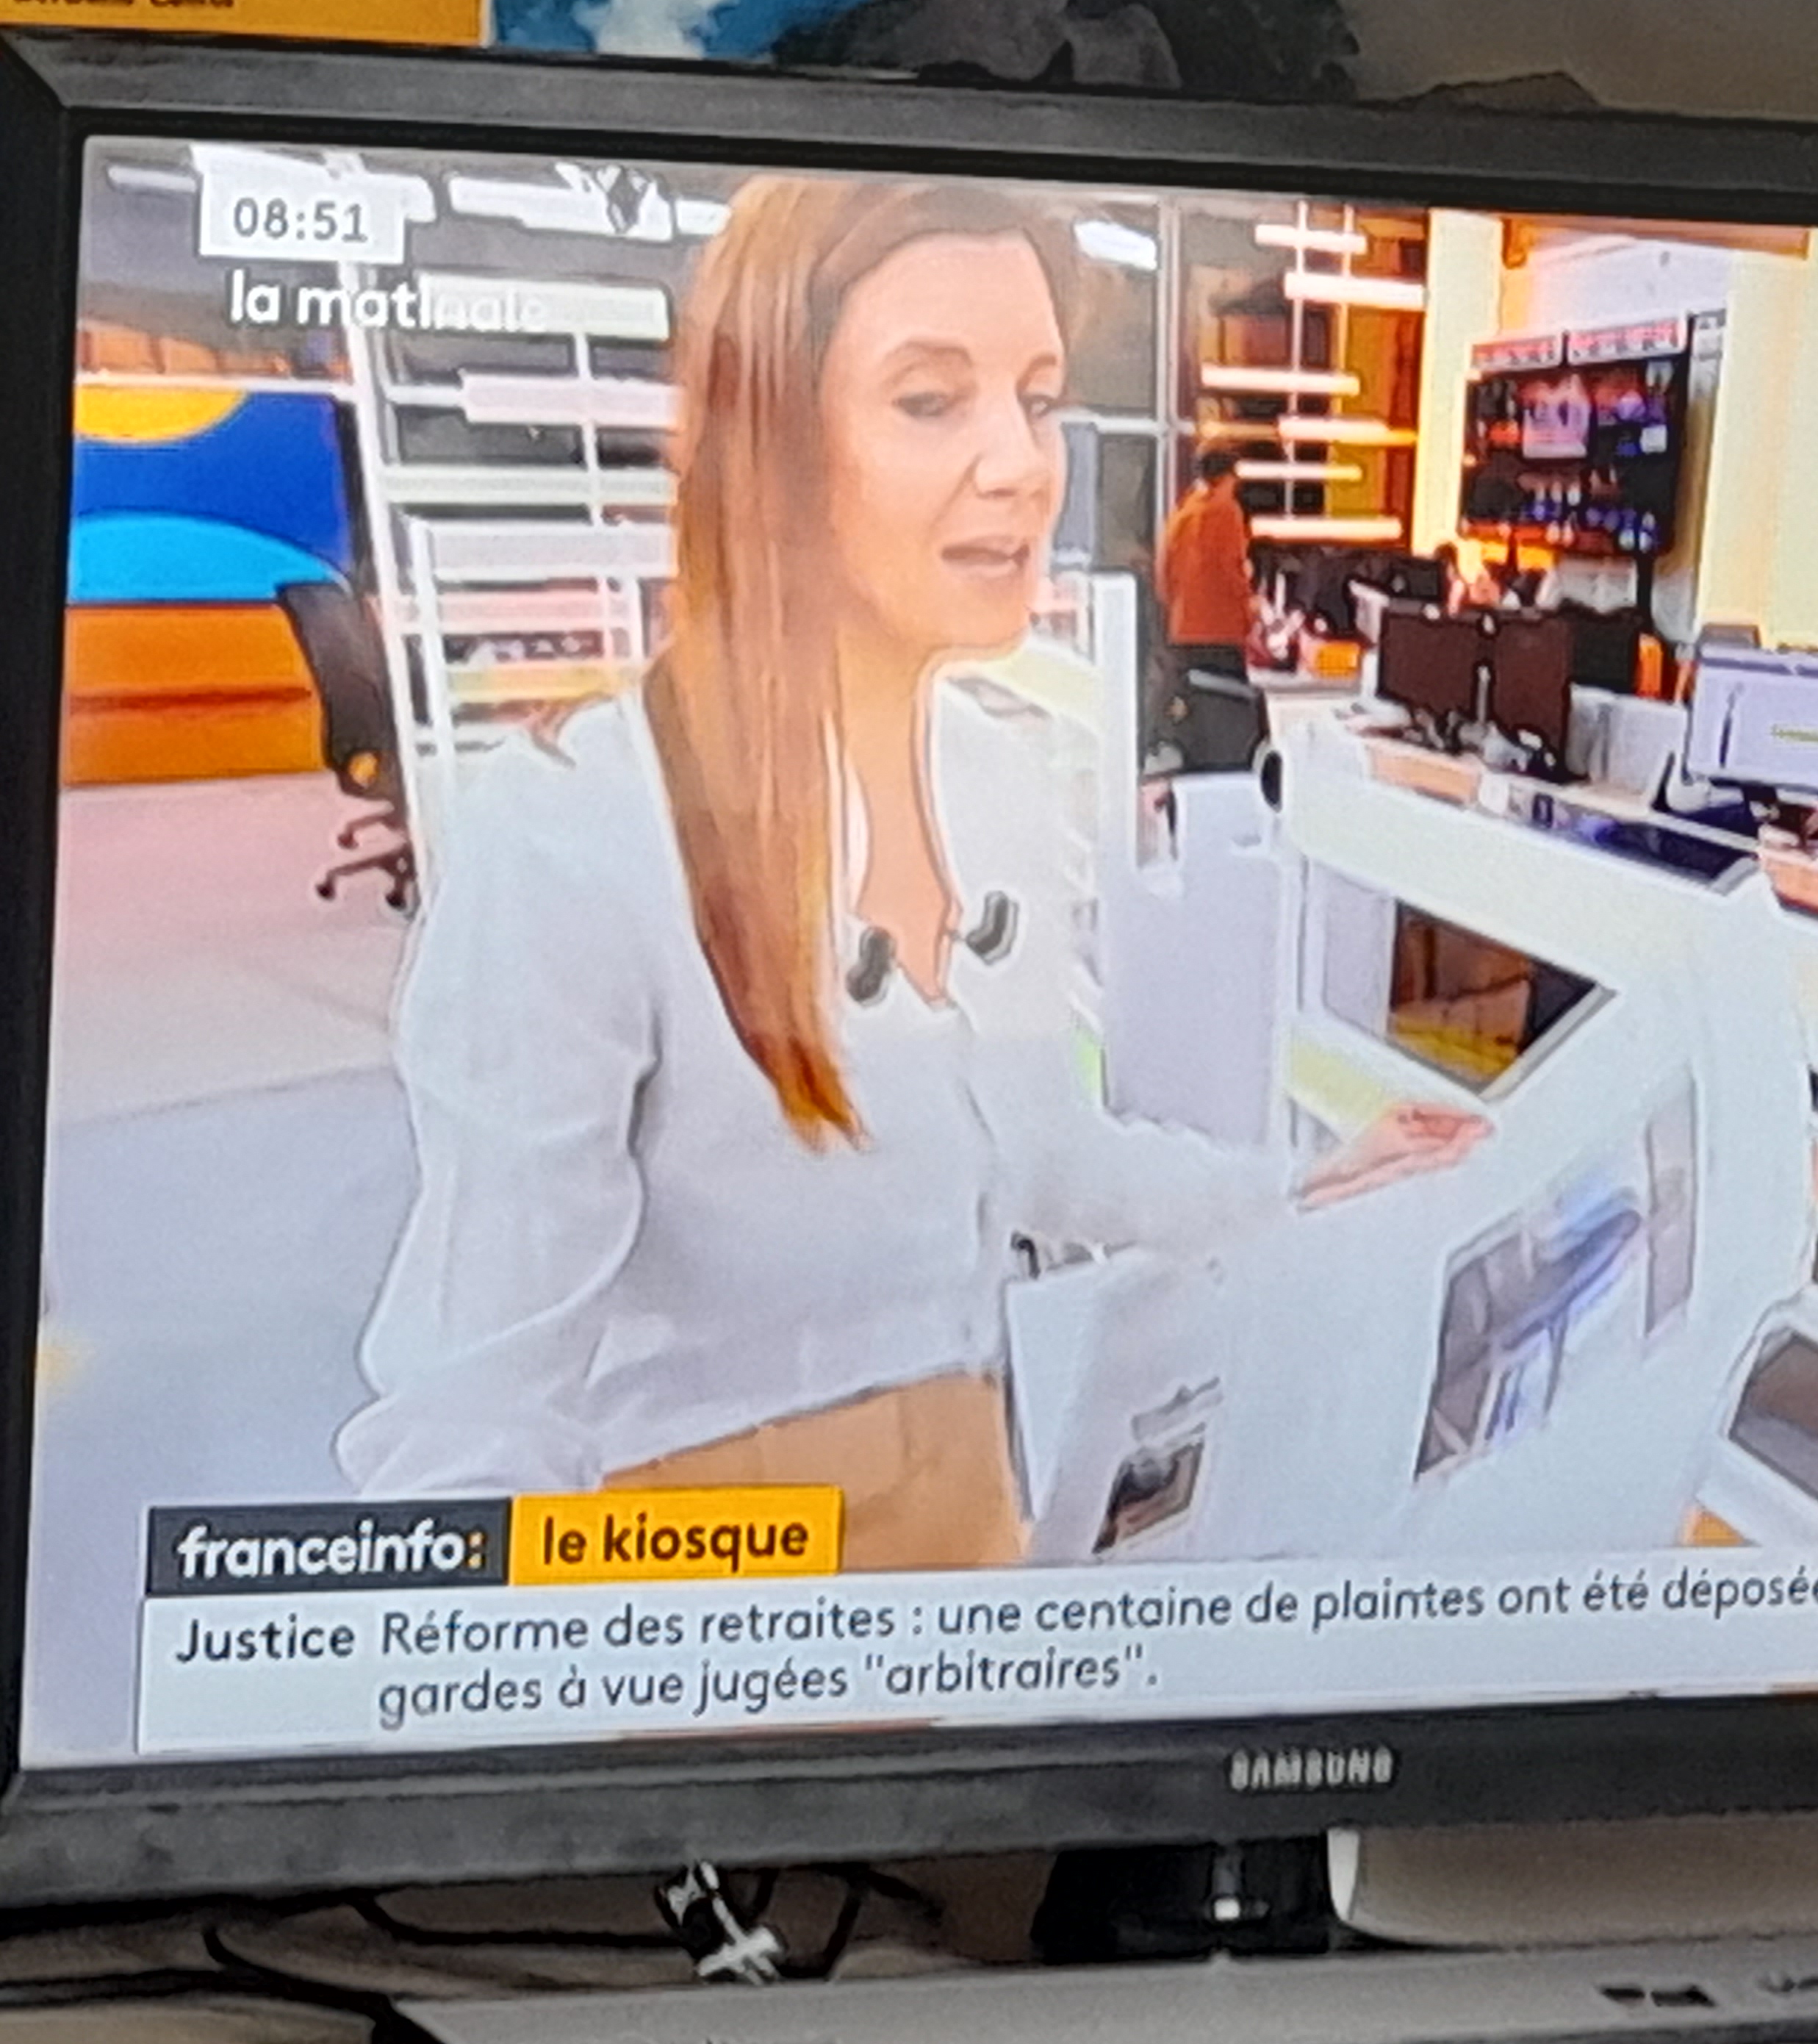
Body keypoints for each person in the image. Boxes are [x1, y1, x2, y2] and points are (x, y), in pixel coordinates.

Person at [337, 176, 1481, 1568]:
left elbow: (1041, 1154)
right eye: (932, 401)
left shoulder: (993, 779)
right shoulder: (575, 835)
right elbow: (473, 1414)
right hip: (711, 1585)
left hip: (973, 1520)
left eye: (1038, 399)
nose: (1023, 465)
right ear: (771, 440)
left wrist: (1298, 1188)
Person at [1150, 448, 1258, 752]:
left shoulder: (1182, 513)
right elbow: (1232, 572)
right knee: (1229, 716)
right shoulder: (1226, 511)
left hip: (1184, 630)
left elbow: (1162, 575)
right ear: (1227, 477)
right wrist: (1250, 612)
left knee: (1195, 712)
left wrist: (1175, 612)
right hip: (1221, 630)